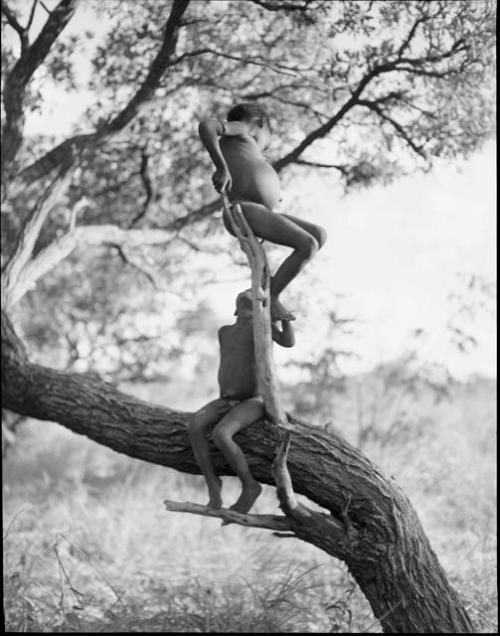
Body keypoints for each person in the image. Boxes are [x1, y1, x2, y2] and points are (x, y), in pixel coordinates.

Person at [198, 102, 327, 322]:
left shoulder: (247, 146)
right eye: (267, 140)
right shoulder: (242, 128)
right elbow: (207, 125)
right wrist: (222, 167)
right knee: (308, 244)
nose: (265, 148)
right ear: (260, 124)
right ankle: (273, 296)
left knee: (318, 234)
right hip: (243, 208)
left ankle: (271, 288)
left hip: (258, 210)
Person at [188, 289, 295, 514]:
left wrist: (283, 317)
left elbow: (288, 341)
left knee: (221, 433)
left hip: (254, 400)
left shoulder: (262, 328)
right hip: (226, 399)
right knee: (195, 425)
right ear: (235, 310)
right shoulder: (224, 332)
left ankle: (250, 486)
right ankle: (212, 482)